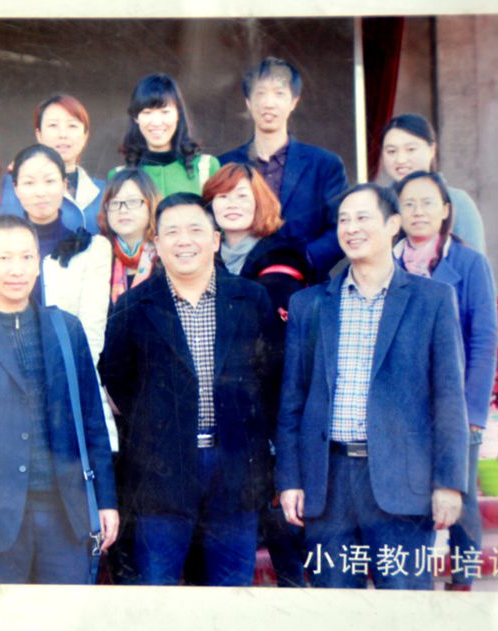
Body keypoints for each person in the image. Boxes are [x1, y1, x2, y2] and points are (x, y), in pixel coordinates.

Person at [276, 183, 469, 590]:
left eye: (363, 217)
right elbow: (293, 401)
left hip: (402, 483)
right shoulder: (309, 304)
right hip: (328, 483)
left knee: (403, 607)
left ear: (393, 224)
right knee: (335, 606)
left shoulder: (432, 300)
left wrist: (449, 483)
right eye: (343, 220)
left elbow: (450, 400)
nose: (351, 228)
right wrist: (290, 479)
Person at [0, 215, 118, 584]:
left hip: (65, 515)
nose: (17, 269)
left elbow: (92, 423)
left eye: (27, 257)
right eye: (4, 258)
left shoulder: (66, 329)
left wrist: (106, 501)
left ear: (38, 264)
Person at [99, 193, 277, 586]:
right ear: (157, 244)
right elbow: (116, 378)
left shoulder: (250, 299)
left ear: (214, 240)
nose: (184, 241)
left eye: (195, 230)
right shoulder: (132, 307)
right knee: (158, 590)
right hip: (162, 471)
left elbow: (271, 379)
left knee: (232, 594)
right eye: (172, 232)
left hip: (235, 469)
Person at [201, 162, 311, 587]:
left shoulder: (280, 256)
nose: (231, 204)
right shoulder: (202, 255)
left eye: (242, 196)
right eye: (222, 197)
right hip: (221, 412)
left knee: (282, 526)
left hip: (272, 403)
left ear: (259, 200)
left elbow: (278, 342)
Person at [394, 170, 498, 591]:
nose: (417, 212)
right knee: (407, 492)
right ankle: (412, 579)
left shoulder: (469, 263)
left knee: (461, 493)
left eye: (427, 203)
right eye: (408, 204)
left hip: (455, 404)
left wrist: (473, 411)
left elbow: (484, 338)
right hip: (402, 405)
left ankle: (463, 580)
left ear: (446, 210)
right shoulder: (388, 261)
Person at [0, 144, 115, 449]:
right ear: (16, 188)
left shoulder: (93, 249)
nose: (40, 191)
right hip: (7, 388)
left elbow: (91, 331)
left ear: (65, 185)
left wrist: (59, 383)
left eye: (50, 181)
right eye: (29, 182)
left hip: (69, 387)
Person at [219, 57, 348, 281]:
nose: (269, 103)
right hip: (237, 283)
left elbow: (341, 227)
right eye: (260, 93)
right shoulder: (224, 165)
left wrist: (303, 260)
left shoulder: (324, 165)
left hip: (304, 284)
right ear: (248, 102)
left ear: (294, 101)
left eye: (279, 93)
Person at [379, 113, 487, 253]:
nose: (401, 159)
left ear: (431, 150)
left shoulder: (457, 201)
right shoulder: (377, 204)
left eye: (411, 149)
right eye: (391, 151)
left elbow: (474, 261)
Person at [0, 94, 105, 234]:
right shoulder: (16, 185)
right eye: (53, 125)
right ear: (39, 134)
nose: (63, 134)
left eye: (72, 125)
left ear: (85, 135)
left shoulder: (104, 189)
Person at [109, 73, 219, 196]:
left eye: (165, 112)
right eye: (147, 112)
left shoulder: (206, 167)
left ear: (178, 115)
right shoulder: (118, 176)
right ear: (135, 117)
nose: (156, 122)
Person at [97, 168, 161, 305]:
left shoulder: (165, 257)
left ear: (151, 205)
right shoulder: (99, 257)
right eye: (115, 203)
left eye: (133, 202)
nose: (123, 210)